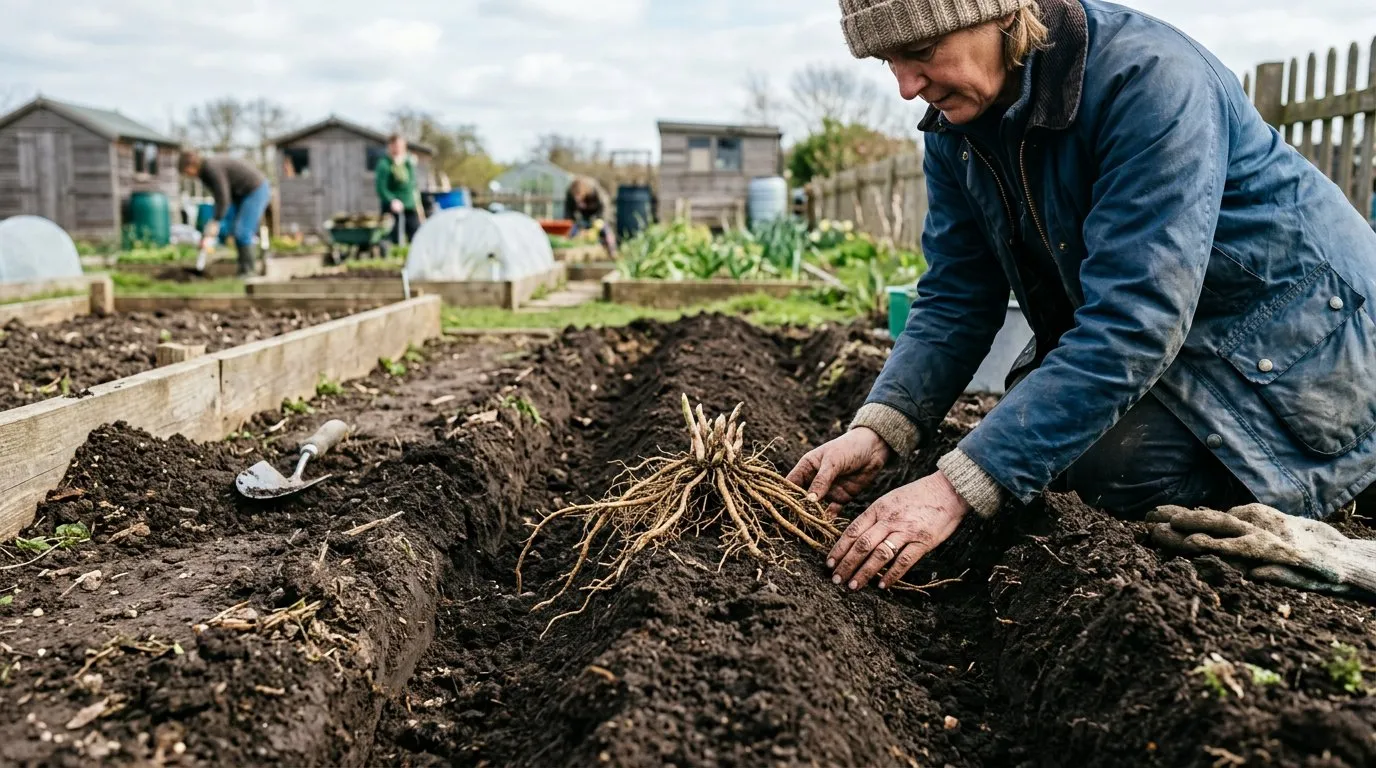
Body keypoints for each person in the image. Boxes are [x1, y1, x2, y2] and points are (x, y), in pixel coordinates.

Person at [790, 0, 1376, 596]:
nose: (907, 87)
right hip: (1189, 337)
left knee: (1105, 477)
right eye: (889, 61)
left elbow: (1134, 321)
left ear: (1003, 15)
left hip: (1303, 346)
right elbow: (956, 294)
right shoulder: (957, 127)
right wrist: (882, 429)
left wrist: (952, 488)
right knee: (1038, 462)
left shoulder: (1148, 81)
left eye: (919, 53)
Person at [178, 149, 271, 277]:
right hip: (239, 195)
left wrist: (216, 221)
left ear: (190, 166)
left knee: (242, 231)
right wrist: (213, 224)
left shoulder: (211, 168)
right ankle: (243, 269)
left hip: (254, 190)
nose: (187, 175)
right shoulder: (204, 172)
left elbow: (223, 197)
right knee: (233, 229)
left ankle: (249, 271)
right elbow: (220, 198)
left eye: (185, 172)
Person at [375, 134, 421, 248]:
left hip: (410, 205)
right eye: (396, 146)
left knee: (416, 236)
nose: (399, 149)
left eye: (401, 146)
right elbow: (381, 188)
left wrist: (416, 200)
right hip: (393, 208)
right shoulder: (384, 164)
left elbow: (412, 183)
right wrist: (392, 200)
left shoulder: (408, 163)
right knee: (393, 239)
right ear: (390, 146)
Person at [564, 176, 617, 256]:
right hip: (584, 214)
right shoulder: (570, 193)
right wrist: (571, 224)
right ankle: (573, 251)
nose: (577, 198)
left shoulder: (594, 189)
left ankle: (612, 251)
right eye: (575, 195)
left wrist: (601, 220)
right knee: (572, 230)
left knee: (605, 230)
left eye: (579, 194)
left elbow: (605, 206)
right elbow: (569, 212)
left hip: (598, 212)